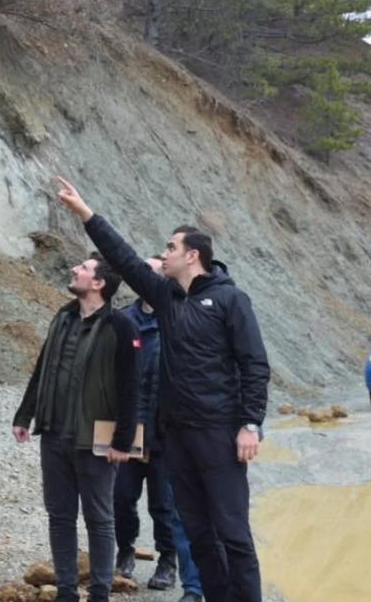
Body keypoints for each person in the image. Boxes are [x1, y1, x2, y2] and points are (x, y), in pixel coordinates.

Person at [54, 176, 270, 602]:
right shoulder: (167, 297)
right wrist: (86, 214)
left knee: (232, 533)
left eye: (171, 248)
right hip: (177, 437)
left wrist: (250, 423)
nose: (164, 253)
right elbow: (127, 260)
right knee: (198, 532)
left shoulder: (231, 300)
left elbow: (254, 364)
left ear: (192, 256)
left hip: (220, 433)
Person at [12, 253, 140, 602]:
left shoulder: (121, 326)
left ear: (98, 283)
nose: (74, 270)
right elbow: (44, 366)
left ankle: (100, 593)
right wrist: (25, 415)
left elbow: (131, 389)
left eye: (83, 268)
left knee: (99, 519)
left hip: (95, 440)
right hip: (54, 433)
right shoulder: (63, 316)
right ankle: (66, 592)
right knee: (60, 516)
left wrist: (123, 442)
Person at [115, 257, 204, 602]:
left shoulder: (177, 320)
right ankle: (125, 550)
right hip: (128, 432)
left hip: (166, 435)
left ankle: (168, 562)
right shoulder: (123, 320)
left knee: (165, 505)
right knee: (120, 497)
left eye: (155, 271)